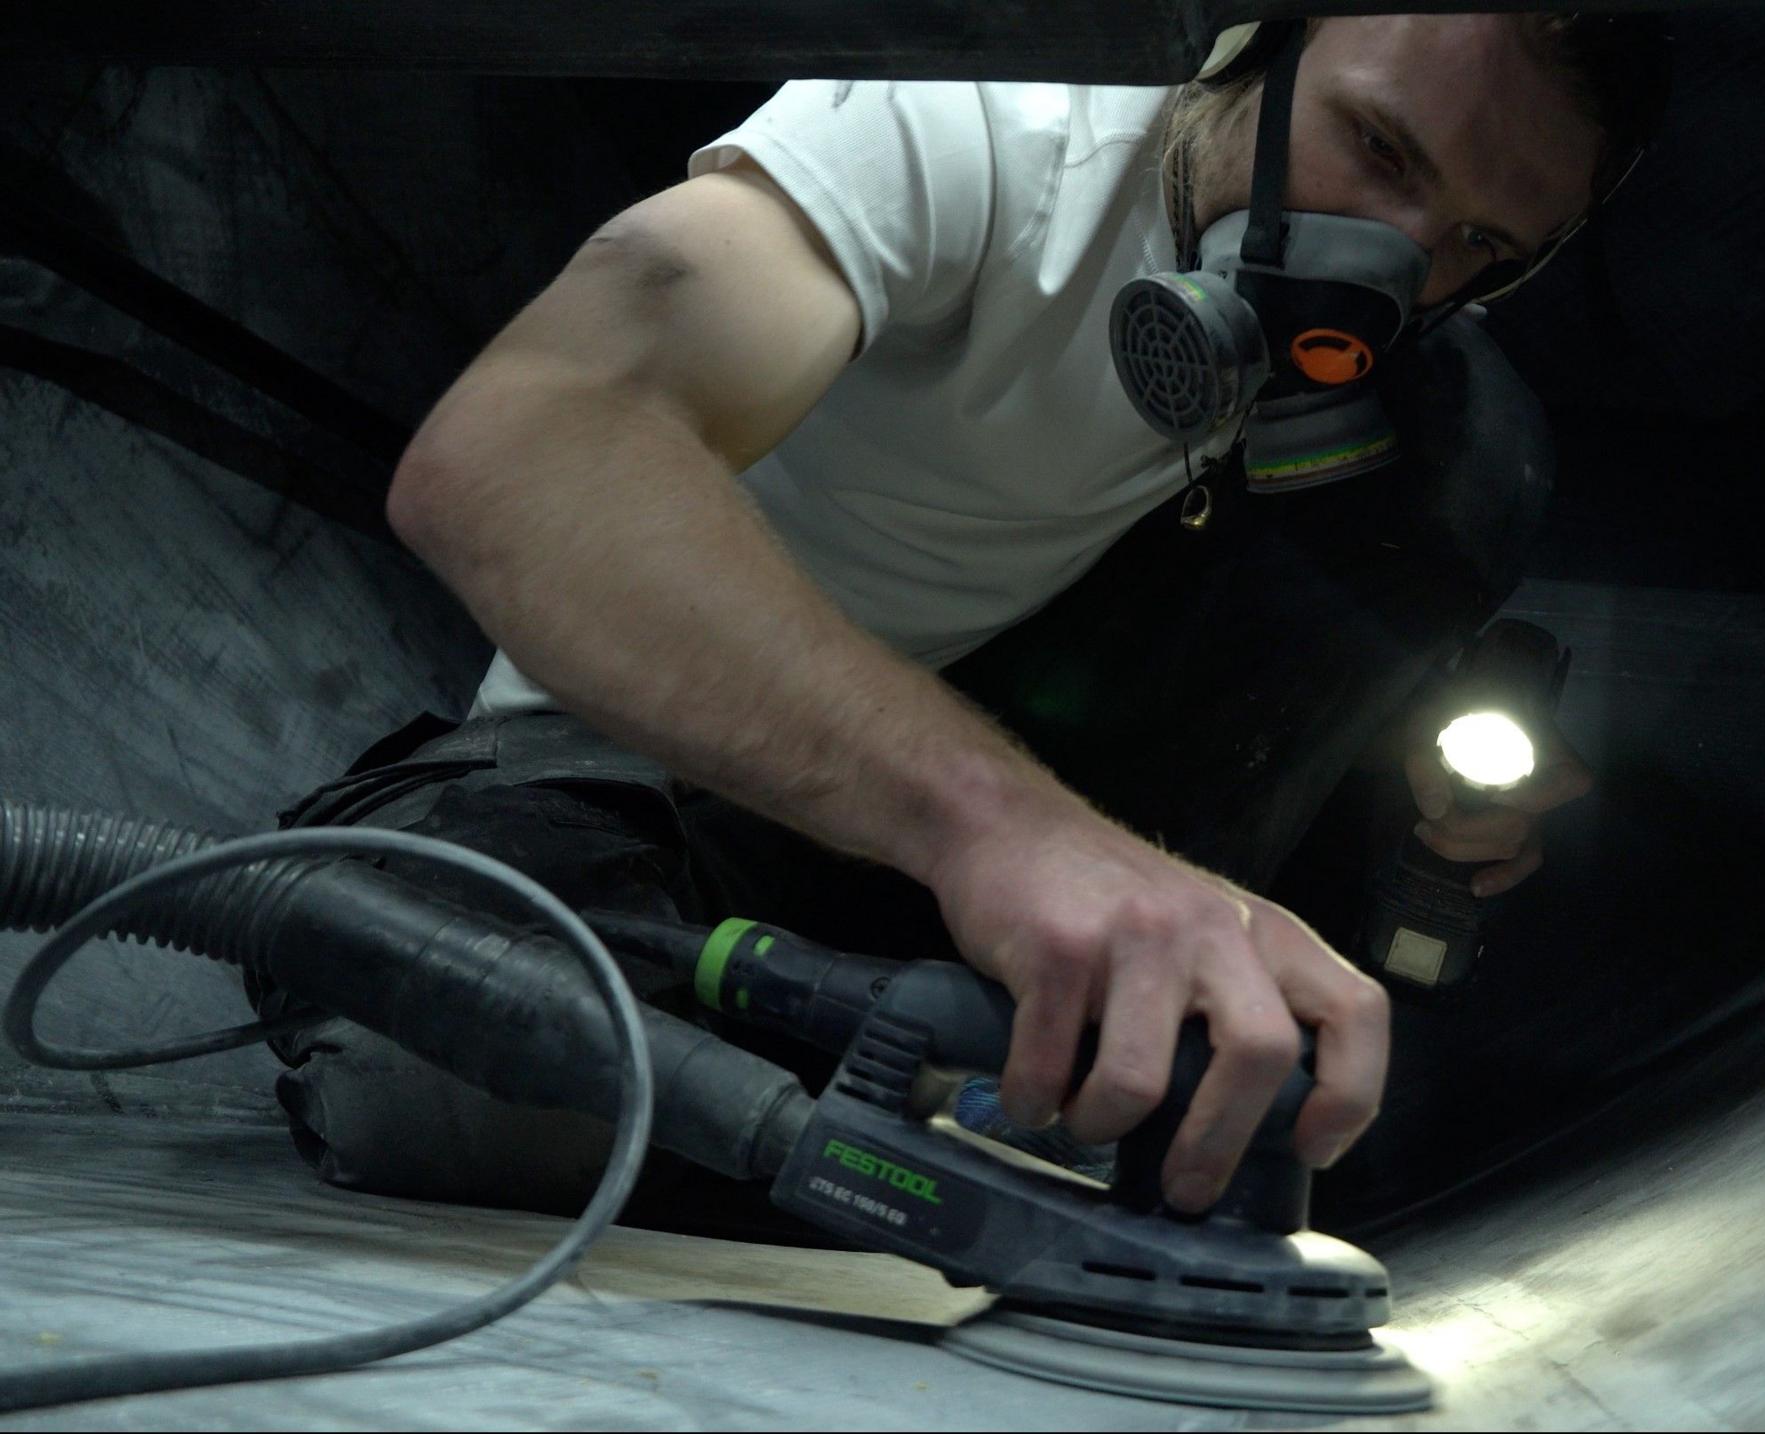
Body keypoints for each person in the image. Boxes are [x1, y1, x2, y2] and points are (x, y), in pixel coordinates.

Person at [261, 12, 1666, 1221]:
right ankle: (945, 1099)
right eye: (1380, 151)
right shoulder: (979, 125)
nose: (1392, 269)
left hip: (950, 835)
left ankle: (1014, 1071)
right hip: (658, 794)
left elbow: (1211, 655)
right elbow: (520, 452)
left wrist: (1407, 795)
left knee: (1477, 456)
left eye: (1479, 241)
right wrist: (1001, 829)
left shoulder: (1388, 401)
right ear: (1259, 35)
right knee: (458, 1077)